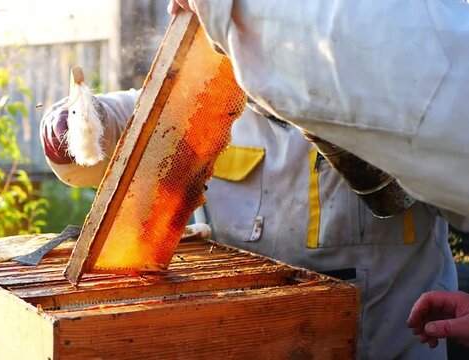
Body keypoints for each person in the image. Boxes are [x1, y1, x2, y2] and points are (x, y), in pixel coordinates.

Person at [41, 87, 467, 359]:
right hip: (250, 339)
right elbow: (130, 116)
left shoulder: (414, 93)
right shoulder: (210, 93)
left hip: (387, 347)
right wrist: (78, 118)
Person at [166, 0, 469, 217]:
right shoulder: (231, 91)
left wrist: (223, 9)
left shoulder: (384, 35)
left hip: (396, 299)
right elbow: (168, 118)